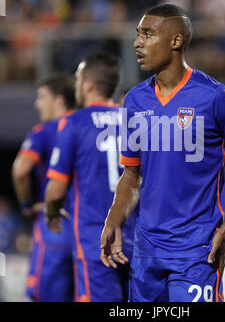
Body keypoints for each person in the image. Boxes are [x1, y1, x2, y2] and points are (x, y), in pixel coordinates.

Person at [100, 4, 225, 302]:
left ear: (176, 41)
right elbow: (132, 174)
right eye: (138, 34)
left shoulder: (215, 97)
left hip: (196, 251)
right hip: (146, 250)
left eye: (148, 34)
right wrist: (113, 219)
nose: (137, 43)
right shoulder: (135, 100)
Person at [45, 52, 137, 302]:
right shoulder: (135, 122)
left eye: (77, 78)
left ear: (88, 85)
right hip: (138, 242)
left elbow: (56, 190)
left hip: (95, 243)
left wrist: (51, 212)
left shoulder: (73, 123)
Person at [11, 73, 75, 302]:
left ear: (59, 100)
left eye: (42, 96)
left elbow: (21, 170)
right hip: (89, 234)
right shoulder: (89, 128)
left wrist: (28, 206)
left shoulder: (45, 131)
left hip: (53, 231)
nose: (37, 103)